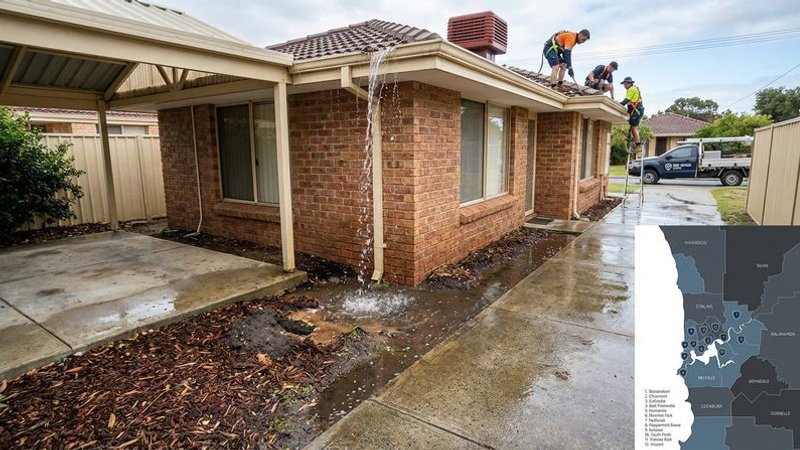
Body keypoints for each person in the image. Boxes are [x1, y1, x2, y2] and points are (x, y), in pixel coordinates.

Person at [620, 76, 645, 148]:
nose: (624, 85)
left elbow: (626, 101)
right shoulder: (633, 88)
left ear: (628, 83)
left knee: (634, 128)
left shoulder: (631, 89)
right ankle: (634, 142)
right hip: (637, 110)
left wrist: (618, 103)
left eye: (624, 84)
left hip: (636, 110)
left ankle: (638, 145)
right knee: (632, 127)